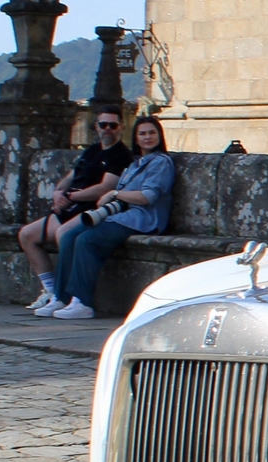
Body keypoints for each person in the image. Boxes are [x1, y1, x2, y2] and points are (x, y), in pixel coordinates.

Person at [44, 114, 175, 320]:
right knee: (69, 236)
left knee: (87, 240)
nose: (147, 137)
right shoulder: (136, 163)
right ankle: (61, 296)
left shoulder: (161, 163)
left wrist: (115, 194)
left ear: (160, 135)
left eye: (152, 132)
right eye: (142, 133)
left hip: (142, 220)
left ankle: (82, 301)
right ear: (136, 137)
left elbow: (148, 197)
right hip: (122, 216)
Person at [18, 110, 133, 308]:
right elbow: (71, 177)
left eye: (112, 126)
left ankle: (68, 295)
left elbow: (105, 187)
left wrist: (70, 196)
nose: (107, 129)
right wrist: (58, 193)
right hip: (70, 208)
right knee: (26, 235)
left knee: (65, 236)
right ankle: (51, 290)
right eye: (103, 124)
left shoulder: (121, 155)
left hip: (89, 211)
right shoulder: (91, 151)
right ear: (96, 126)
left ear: (121, 128)